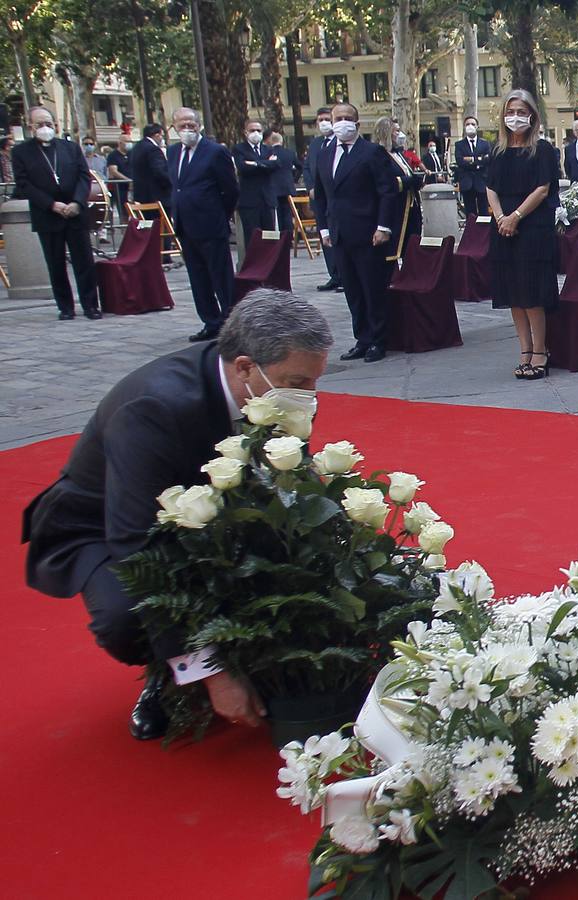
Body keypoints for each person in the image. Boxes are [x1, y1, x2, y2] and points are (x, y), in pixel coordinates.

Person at [21, 290, 333, 741]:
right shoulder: (154, 408)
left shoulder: (266, 387)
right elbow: (135, 545)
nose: (309, 397)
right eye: (298, 383)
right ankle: (168, 675)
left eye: (314, 382)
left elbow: (289, 479)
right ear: (245, 366)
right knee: (126, 614)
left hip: (206, 508)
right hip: (106, 526)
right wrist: (209, 673)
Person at [312, 102, 400, 363]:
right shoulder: (325, 154)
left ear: (357, 123)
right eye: (337, 118)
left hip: (368, 231)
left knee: (372, 288)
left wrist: (383, 227)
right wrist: (324, 228)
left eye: (347, 118)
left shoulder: (371, 152)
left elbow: (387, 191)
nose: (341, 122)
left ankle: (378, 340)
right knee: (351, 289)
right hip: (339, 232)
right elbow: (321, 196)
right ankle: (362, 338)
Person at [485, 89, 561, 380]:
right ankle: (524, 350)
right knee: (513, 295)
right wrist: (501, 217)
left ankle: (541, 351)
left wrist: (515, 216)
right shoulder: (497, 150)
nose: (515, 117)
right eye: (510, 111)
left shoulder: (542, 150)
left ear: (532, 115)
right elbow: (490, 187)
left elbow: (542, 189)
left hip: (532, 228)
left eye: (521, 111)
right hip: (503, 228)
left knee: (532, 294)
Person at [11, 106, 100, 320]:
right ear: (30, 127)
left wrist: (78, 202)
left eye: (49, 124)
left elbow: (83, 177)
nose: (45, 128)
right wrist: (52, 205)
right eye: (40, 124)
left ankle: (90, 305)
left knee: (84, 261)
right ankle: (66, 307)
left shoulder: (70, 148)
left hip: (75, 212)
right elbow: (23, 184)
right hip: (48, 214)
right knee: (55, 263)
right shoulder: (21, 152)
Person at [168, 107, 239, 341]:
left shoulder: (215, 151)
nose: (187, 129)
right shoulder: (173, 152)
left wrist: (220, 214)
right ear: (174, 127)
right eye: (182, 125)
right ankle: (210, 321)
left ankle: (230, 324)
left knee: (220, 276)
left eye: (191, 124)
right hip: (185, 225)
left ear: (199, 125)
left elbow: (230, 189)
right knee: (198, 277)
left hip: (210, 223)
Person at [374, 117, 425, 259]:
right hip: (396, 207)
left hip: (410, 205)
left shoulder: (398, 154)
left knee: (412, 243)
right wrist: (408, 181)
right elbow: (386, 181)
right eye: (396, 130)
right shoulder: (378, 154)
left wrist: (416, 181)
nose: (400, 134)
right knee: (397, 246)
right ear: (387, 132)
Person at [305, 107, 342, 292]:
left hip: (336, 200)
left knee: (339, 236)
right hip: (319, 200)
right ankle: (334, 275)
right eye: (320, 119)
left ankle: (344, 275)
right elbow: (307, 168)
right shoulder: (315, 144)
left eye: (327, 119)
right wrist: (312, 187)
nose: (323, 122)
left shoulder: (340, 142)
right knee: (325, 236)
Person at [232, 119, 281, 242]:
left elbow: (276, 165)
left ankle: (270, 261)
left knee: (270, 237)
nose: (255, 133)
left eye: (258, 130)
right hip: (249, 201)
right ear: (245, 132)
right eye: (252, 130)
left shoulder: (268, 149)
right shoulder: (239, 149)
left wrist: (254, 163)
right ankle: (255, 261)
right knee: (253, 238)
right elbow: (243, 168)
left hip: (267, 200)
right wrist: (265, 164)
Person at [127, 123, 171, 218]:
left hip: (141, 196)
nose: (161, 139)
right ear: (157, 135)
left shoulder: (136, 148)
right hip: (157, 197)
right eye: (161, 136)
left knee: (149, 227)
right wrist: (172, 183)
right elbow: (160, 172)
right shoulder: (153, 150)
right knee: (160, 227)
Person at [454, 116, 491, 219]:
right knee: (470, 214)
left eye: (473, 124)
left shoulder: (485, 144)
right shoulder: (459, 145)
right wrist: (479, 160)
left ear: (477, 126)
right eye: (467, 124)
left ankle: (484, 234)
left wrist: (471, 160)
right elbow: (460, 162)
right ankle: (472, 234)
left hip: (482, 182)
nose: (470, 126)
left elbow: (488, 160)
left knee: (484, 212)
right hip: (467, 183)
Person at [264, 130, 297, 232]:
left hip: (273, 187)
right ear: (282, 141)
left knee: (276, 214)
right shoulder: (290, 153)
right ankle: (288, 236)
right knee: (287, 212)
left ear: (270, 141)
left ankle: (280, 236)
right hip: (287, 186)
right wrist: (293, 178)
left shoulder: (268, 153)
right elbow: (300, 166)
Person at [105, 141, 131, 221]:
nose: (129, 143)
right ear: (120, 143)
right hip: (118, 187)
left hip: (130, 187)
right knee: (118, 208)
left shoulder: (131, 154)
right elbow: (113, 171)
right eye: (127, 141)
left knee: (128, 210)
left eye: (130, 141)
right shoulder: (113, 155)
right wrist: (128, 180)